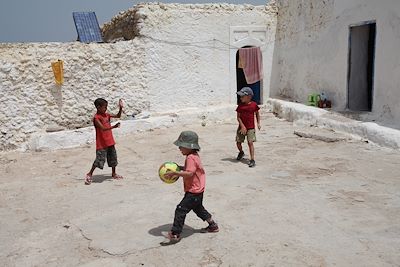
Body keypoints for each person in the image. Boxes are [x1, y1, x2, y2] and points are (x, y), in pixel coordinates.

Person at [164, 131, 219, 243]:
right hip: (199, 189)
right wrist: (181, 167)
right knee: (198, 209)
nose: (179, 148)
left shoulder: (190, 158)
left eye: (181, 145)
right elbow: (190, 169)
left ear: (189, 147)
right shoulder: (194, 156)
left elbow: (190, 173)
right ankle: (213, 225)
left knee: (180, 209)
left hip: (193, 191)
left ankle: (175, 233)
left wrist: (175, 173)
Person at [84, 98, 123, 185]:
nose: (106, 109)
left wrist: (120, 108)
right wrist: (114, 127)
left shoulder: (107, 115)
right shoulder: (96, 118)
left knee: (113, 158)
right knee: (99, 160)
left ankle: (114, 173)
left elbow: (118, 116)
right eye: (104, 107)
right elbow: (103, 128)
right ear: (98, 107)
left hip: (110, 141)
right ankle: (89, 174)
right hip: (102, 143)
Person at [235, 87, 261, 167]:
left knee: (250, 143)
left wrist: (258, 123)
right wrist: (242, 126)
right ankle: (241, 152)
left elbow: (257, 114)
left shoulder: (254, 105)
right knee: (238, 142)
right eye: (240, 96)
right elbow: (238, 117)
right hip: (241, 127)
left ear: (249, 97)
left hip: (251, 128)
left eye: (242, 96)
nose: (241, 98)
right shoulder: (240, 106)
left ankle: (252, 159)